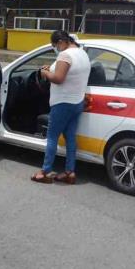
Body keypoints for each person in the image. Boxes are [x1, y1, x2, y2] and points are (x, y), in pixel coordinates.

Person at [32, 30, 91, 184]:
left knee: (52, 137)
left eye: (55, 46)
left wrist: (45, 74)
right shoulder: (82, 53)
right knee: (70, 137)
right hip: (77, 102)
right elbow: (70, 74)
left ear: (61, 42)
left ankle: (45, 171)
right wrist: (50, 69)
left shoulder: (65, 55)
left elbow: (58, 78)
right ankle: (70, 172)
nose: (56, 49)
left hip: (62, 103)